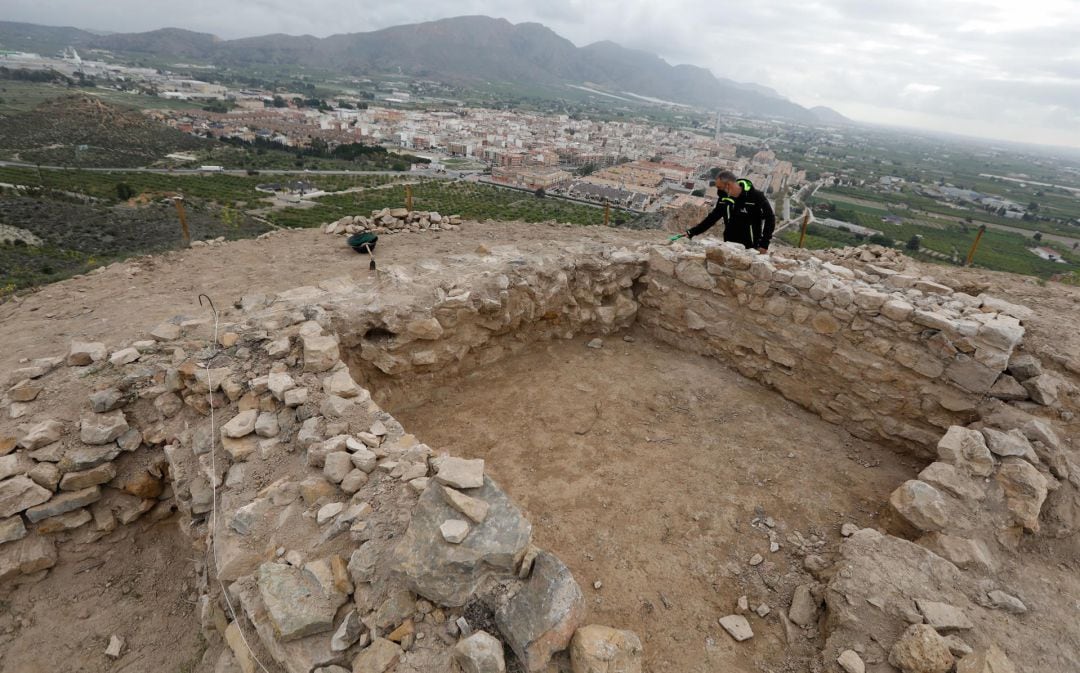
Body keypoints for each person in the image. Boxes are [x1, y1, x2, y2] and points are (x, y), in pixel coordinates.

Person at [682, 171, 775, 252]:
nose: (718, 191)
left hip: (751, 247)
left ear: (728, 185)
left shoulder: (755, 196)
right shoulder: (724, 198)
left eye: (719, 187)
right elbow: (712, 218)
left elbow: (770, 219)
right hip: (729, 245)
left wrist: (764, 244)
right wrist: (692, 232)